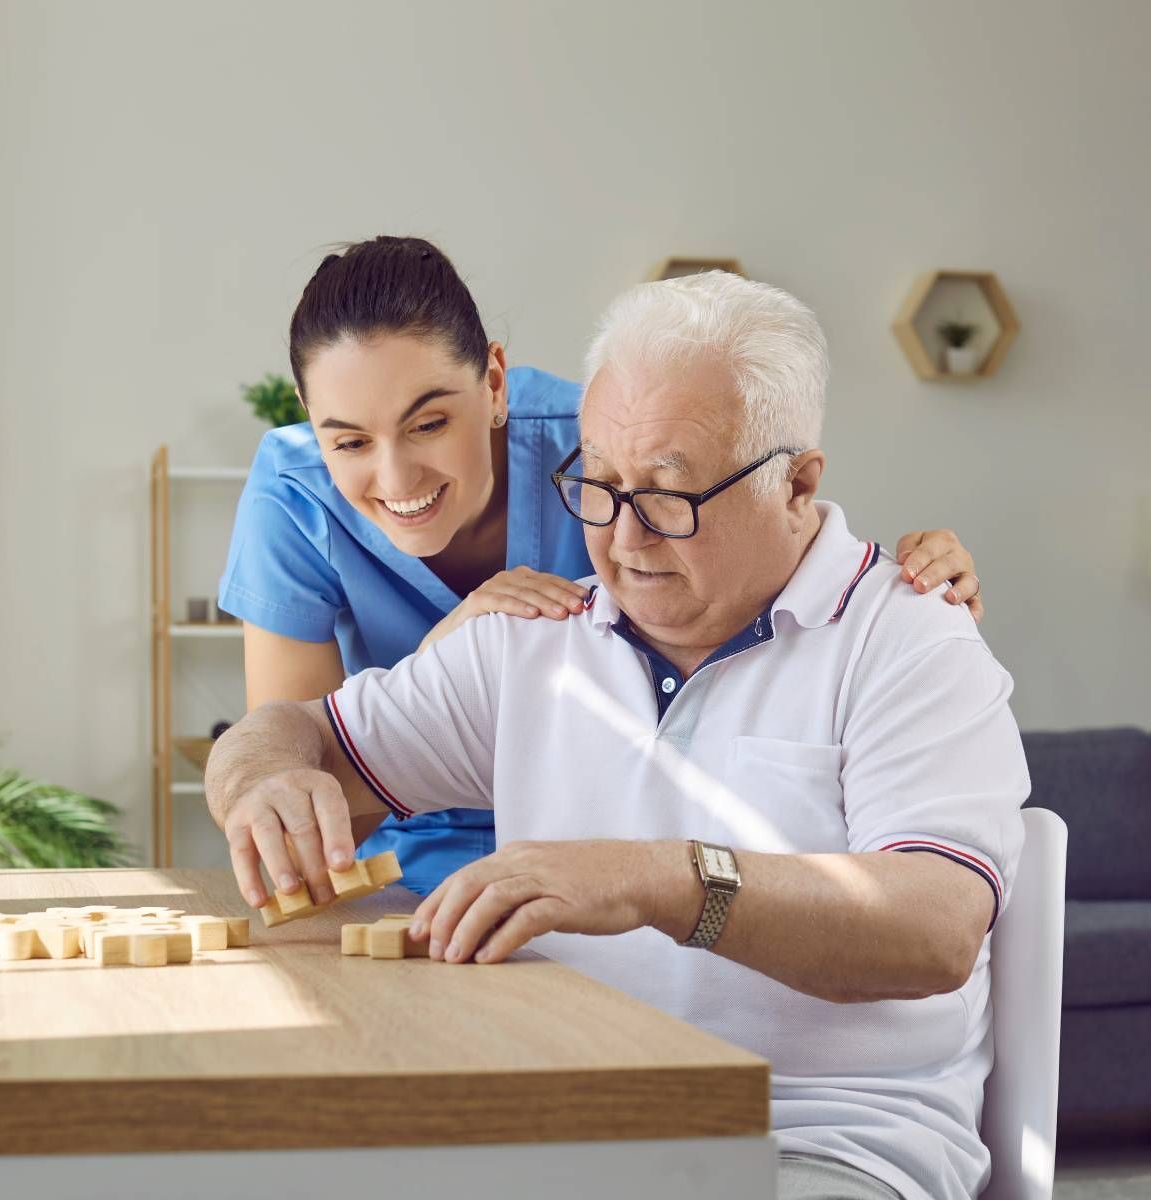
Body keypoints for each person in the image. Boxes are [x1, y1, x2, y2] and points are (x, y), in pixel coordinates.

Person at [207, 270, 1026, 1200]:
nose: (624, 541)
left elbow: (934, 927)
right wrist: (263, 779)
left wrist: (655, 879)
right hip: (557, 1125)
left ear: (796, 483)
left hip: (814, 1138)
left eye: (670, 499)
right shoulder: (536, 639)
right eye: (596, 487)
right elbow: (287, 733)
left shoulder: (910, 635)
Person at [219, 236, 984, 898]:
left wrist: (904, 586)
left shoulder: (610, 446)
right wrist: (274, 776)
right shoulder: (302, 503)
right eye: (349, 441)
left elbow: (756, 515)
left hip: (621, 863)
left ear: (493, 384)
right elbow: (301, 775)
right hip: (413, 865)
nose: (396, 478)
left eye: (428, 422)